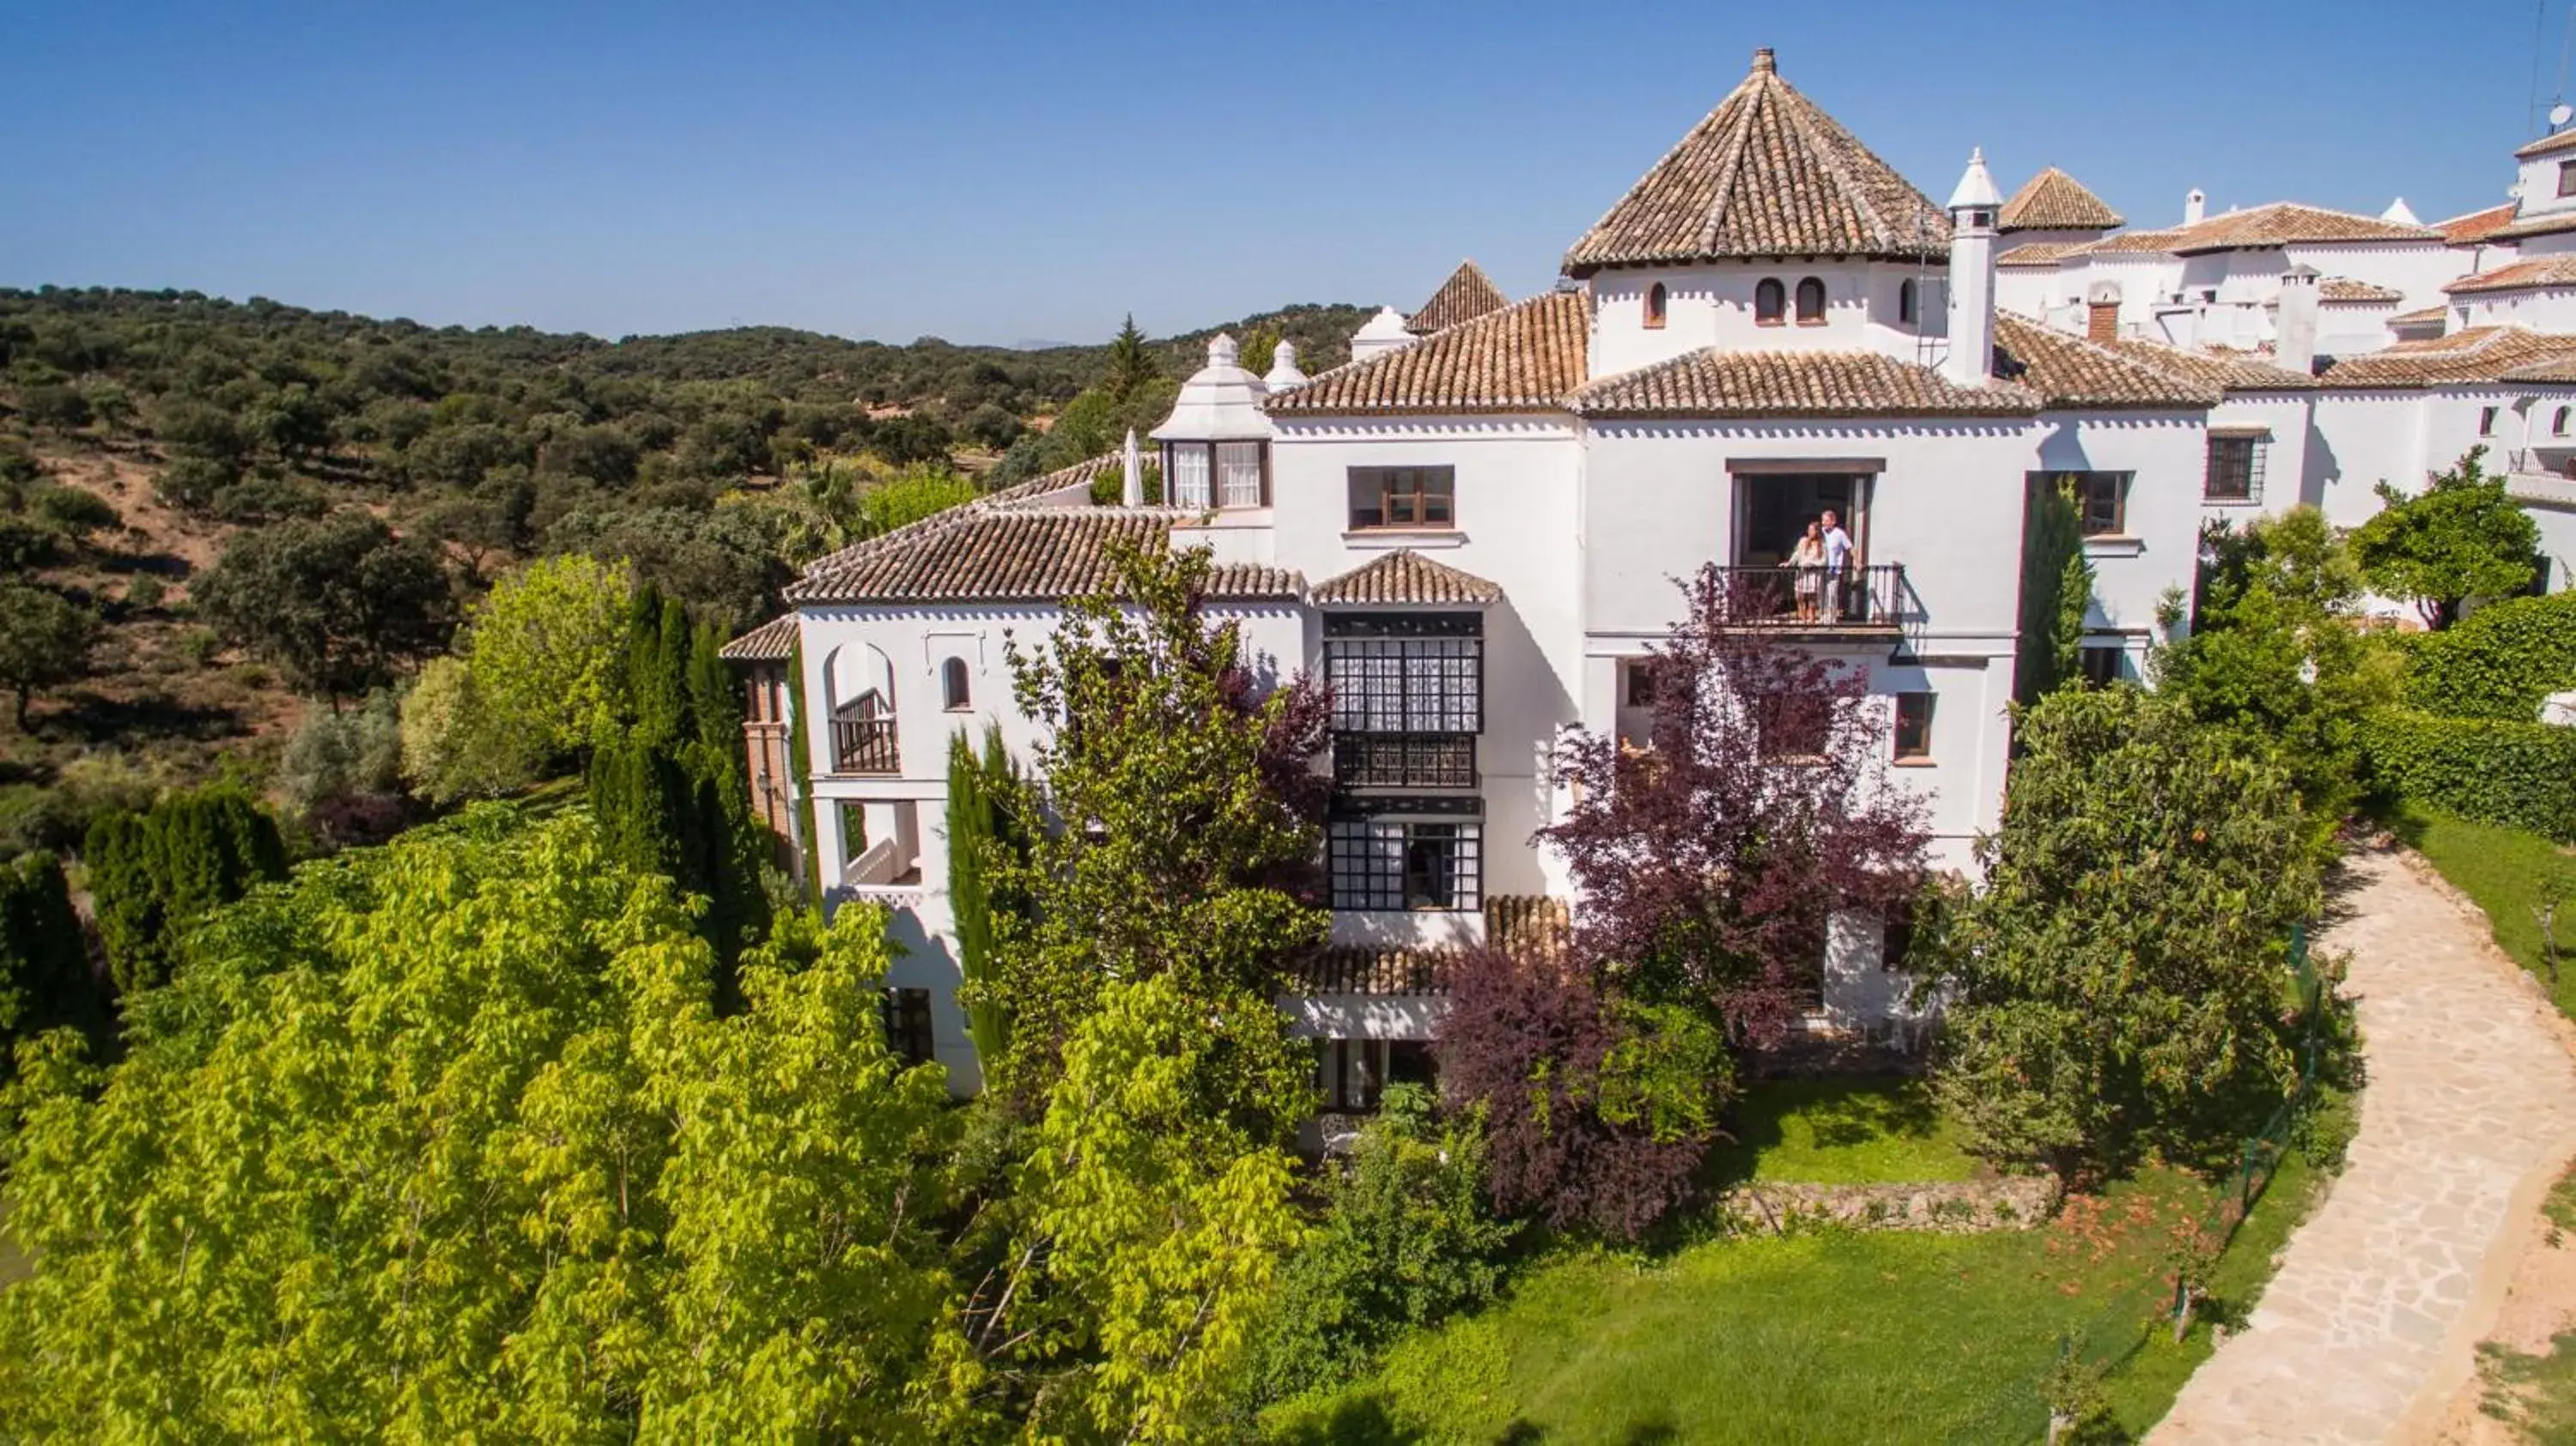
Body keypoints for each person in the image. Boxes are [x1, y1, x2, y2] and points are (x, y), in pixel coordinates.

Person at [1819, 509, 1856, 621]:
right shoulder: (1820, 533)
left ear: (1833, 521)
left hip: (1834, 570)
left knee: (1832, 594)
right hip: (1821, 569)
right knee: (1821, 594)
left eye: (1827, 521)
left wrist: (1857, 562)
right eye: (1823, 521)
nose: (1824, 523)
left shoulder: (1840, 534)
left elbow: (1850, 548)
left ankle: (1831, 617)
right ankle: (1823, 615)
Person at [1787, 520, 1826, 622]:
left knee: (1812, 597)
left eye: (1812, 530)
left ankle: (1811, 617)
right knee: (1799, 596)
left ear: (1817, 531)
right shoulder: (1803, 541)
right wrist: (1789, 563)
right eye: (1809, 530)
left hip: (1814, 573)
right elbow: (1797, 554)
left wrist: (1813, 564)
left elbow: (1824, 560)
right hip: (1802, 572)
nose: (1810, 532)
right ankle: (1802, 617)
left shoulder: (1822, 544)